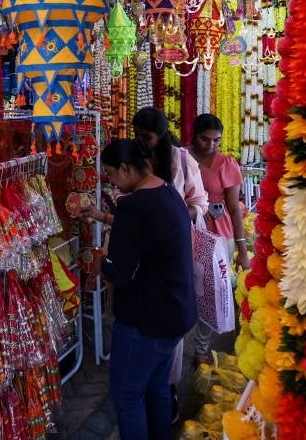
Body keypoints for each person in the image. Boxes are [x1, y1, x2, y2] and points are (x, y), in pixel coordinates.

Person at [82, 139, 197, 440]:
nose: (112, 183)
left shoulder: (135, 205)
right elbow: (143, 234)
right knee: (157, 386)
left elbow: (119, 271)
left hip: (147, 320)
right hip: (175, 312)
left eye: (111, 174)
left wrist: (98, 263)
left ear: (126, 168)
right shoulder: (167, 191)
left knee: (127, 396)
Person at [132, 106, 207, 421]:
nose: (142, 141)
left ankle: (169, 387)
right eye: (138, 135)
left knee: (170, 325)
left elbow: (199, 204)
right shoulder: (136, 158)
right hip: (142, 255)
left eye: (146, 136)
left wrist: (170, 217)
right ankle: (149, 385)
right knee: (144, 320)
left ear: (161, 135)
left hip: (175, 252)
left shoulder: (183, 161)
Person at [189, 113, 249, 363]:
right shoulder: (182, 157)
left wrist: (242, 249)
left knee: (211, 292)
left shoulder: (227, 164)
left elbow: (234, 209)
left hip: (217, 235)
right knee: (185, 286)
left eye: (217, 141)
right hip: (187, 230)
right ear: (194, 135)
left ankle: (201, 349)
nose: (211, 145)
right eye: (205, 139)